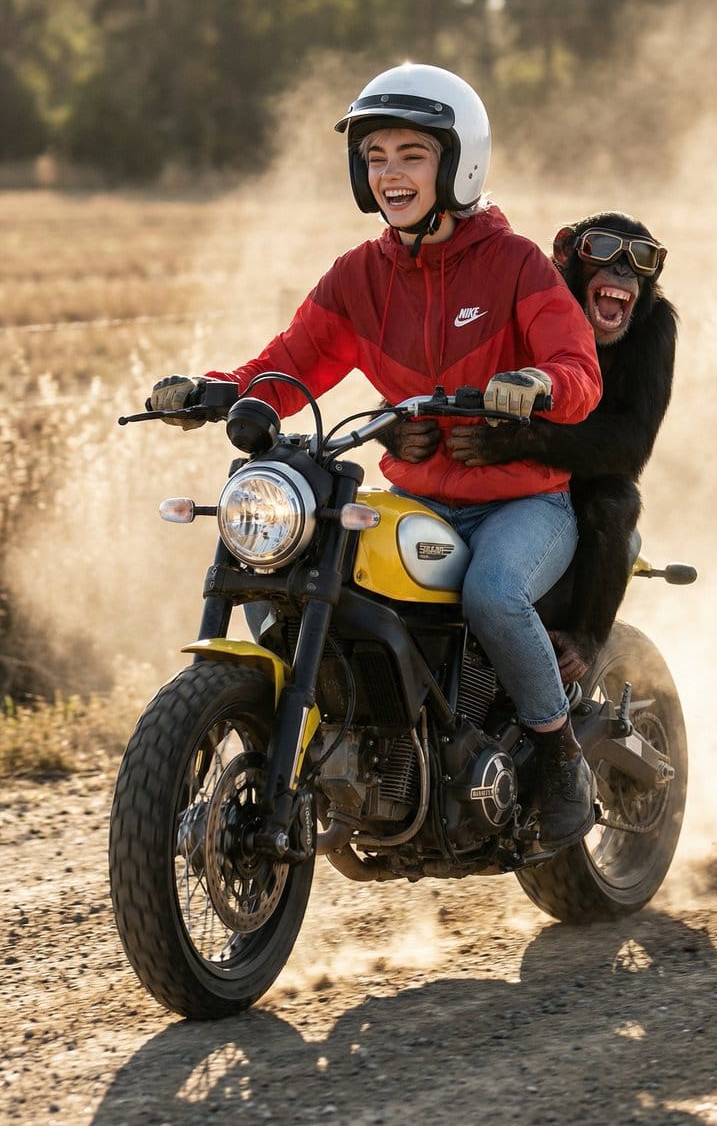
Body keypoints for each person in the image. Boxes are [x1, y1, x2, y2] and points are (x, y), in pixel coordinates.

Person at [149, 64, 602, 849]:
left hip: (523, 503)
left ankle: (562, 757)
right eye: (376, 156)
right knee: (292, 572)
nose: (390, 172)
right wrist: (215, 390)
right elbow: (288, 366)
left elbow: (580, 371)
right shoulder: (361, 276)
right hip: (420, 501)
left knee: (495, 593)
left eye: (411, 155)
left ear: (458, 164)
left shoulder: (516, 264)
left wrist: (537, 384)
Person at [385, 210, 677, 683]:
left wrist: (524, 441)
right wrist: (393, 428)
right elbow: (431, 375)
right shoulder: (531, 293)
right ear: (565, 253)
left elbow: (630, 449)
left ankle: (584, 642)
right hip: (498, 472)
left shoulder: (654, 327)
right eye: (603, 250)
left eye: (642, 259)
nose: (623, 268)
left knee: (615, 502)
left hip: (574, 478)